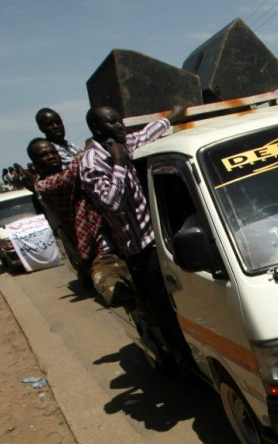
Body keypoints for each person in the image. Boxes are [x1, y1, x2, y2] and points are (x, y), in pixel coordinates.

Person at [80, 104, 193, 371]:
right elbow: (112, 203)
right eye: (113, 122)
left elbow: (145, 134)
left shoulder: (124, 142)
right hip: (139, 252)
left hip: (159, 241)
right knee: (164, 308)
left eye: (120, 120)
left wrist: (171, 117)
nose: (121, 126)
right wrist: (119, 164)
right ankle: (182, 360)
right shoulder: (91, 163)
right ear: (98, 129)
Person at [24, 138, 132, 306]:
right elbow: (72, 171)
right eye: (44, 155)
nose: (51, 156)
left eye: (53, 152)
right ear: (35, 163)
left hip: (120, 236)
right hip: (99, 247)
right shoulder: (47, 185)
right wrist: (91, 146)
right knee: (113, 284)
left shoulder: (73, 174)